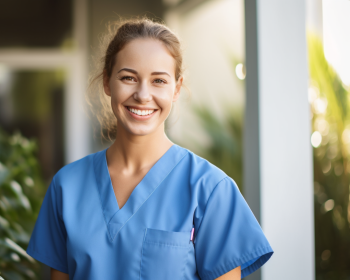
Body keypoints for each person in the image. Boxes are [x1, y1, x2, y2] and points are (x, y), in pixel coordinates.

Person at [26, 17, 273, 280]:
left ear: (176, 89)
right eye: (129, 78)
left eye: (159, 81)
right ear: (108, 82)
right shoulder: (67, 186)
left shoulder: (210, 189)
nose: (143, 95)